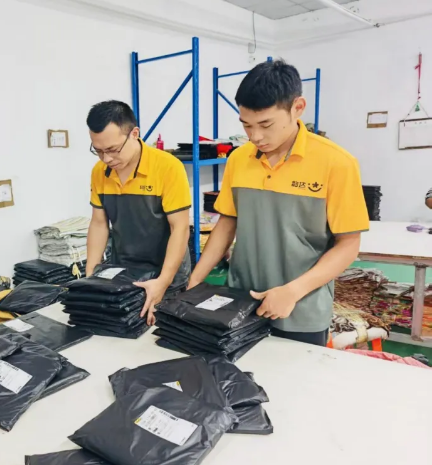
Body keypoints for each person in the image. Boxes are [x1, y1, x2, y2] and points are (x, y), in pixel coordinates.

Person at [188, 60, 369, 346]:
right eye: (246, 125)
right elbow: (227, 223)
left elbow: (348, 244)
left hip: (301, 310)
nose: (255, 136)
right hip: (240, 303)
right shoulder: (238, 159)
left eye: (266, 124)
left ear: (298, 107)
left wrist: (293, 292)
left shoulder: (337, 163)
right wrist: (195, 281)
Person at [86, 101, 191, 325]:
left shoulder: (168, 167)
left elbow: (180, 228)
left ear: (134, 134)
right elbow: (99, 224)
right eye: (98, 151)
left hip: (165, 273)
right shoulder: (100, 172)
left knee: (160, 331)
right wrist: (90, 276)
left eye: (113, 149)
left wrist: (163, 281)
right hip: (124, 270)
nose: (106, 159)